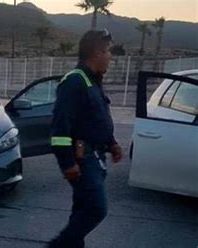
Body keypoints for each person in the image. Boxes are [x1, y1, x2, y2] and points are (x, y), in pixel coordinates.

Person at [49, 30, 123, 248]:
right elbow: (60, 127)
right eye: (108, 51)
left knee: (81, 211)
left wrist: (112, 143)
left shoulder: (93, 81)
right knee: (95, 209)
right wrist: (67, 162)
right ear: (96, 53)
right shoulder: (74, 81)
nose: (110, 56)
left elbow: (96, 118)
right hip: (83, 158)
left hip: (96, 156)